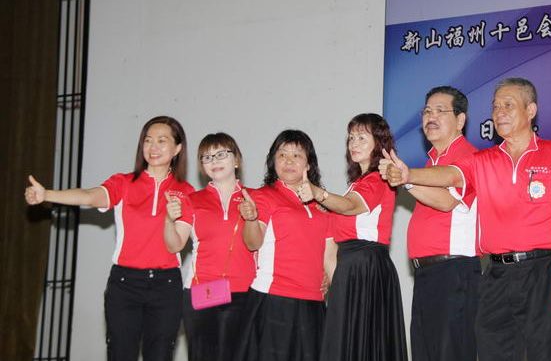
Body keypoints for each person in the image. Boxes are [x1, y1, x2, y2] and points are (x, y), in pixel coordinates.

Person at [381, 78, 551, 361]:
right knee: (491, 351)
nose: (499, 113)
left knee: (546, 353)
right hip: (496, 275)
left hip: (543, 271)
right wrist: (408, 175)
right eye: (495, 107)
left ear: (531, 110)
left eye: (508, 105)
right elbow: (452, 175)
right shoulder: (483, 160)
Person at [24, 115, 194, 361]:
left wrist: (169, 220)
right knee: (120, 353)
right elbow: (89, 196)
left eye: (161, 140)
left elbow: (176, 244)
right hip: (125, 284)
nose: (153, 147)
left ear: (177, 148)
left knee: (159, 355)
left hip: (166, 286)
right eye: (148, 140)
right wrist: (47, 195)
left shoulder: (186, 192)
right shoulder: (123, 183)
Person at [296, 113, 407, 361]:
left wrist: (319, 194)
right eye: (351, 138)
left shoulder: (378, 179)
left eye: (361, 138)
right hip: (352, 266)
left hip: (364, 267)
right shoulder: (358, 182)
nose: (354, 143)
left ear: (378, 143)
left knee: (361, 343)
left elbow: (350, 206)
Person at [233, 130, 335, 361]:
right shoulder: (263, 196)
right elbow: (252, 242)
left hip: (313, 304)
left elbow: (330, 258)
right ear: (273, 161)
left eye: (297, 155)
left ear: (308, 164)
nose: (288, 161)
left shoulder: (322, 206)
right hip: (274, 300)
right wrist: (251, 219)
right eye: (282, 155)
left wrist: (337, 290)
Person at [162, 132, 256, 361]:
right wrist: (168, 220)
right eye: (207, 157)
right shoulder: (192, 200)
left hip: (245, 292)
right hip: (202, 290)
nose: (214, 161)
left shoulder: (256, 198)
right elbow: (175, 245)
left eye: (221, 154)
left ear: (237, 160)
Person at [404, 86, 480, 361]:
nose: (430, 117)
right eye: (426, 112)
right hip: (428, 274)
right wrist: (408, 179)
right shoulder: (431, 162)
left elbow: (447, 201)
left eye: (439, 111)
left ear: (460, 120)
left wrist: (407, 178)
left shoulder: (469, 157)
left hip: (454, 272)